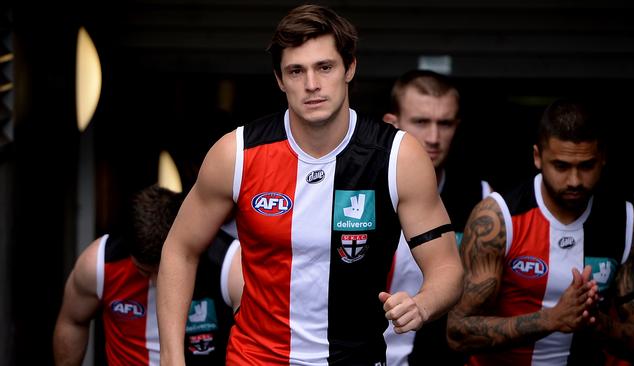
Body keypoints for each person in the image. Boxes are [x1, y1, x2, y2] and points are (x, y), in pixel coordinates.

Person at [156, 4, 463, 365]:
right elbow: (180, 249)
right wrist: (171, 356)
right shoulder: (236, 154)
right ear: (279, 79)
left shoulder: (397, 156)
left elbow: (447, 268)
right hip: (255, 358)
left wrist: (422, 304)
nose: (312, 85)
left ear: (350, 68)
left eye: (325, 67)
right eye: (296, 71)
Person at [446, 99, 634, 365]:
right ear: (537, 157)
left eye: (586, 166)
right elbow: (458, 332)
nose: (575, 180)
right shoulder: (498, 218)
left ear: (603, 159)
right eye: (562, 166)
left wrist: (595, 322)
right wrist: (551, 319)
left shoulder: (624, 221)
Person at [53, 185, 242, 366]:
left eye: (163, 270)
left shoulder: (228, 264)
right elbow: (73, 322)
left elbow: (258, 340)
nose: (156, 281)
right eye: (143, 270)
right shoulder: (100, 263)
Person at [382, 69, 490, 366]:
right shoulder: (356, 191)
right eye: (421, 122)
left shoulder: (480, 198)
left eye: (444, 124)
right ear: (392, 124)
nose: (433, 138)